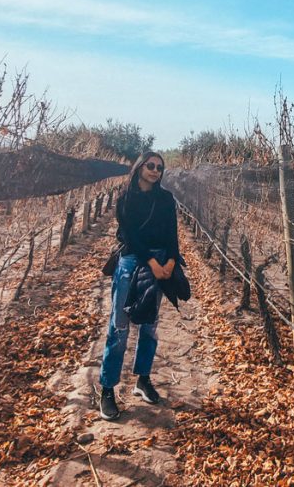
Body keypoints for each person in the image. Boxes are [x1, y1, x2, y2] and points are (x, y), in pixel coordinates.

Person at [98, 151, 179, 420]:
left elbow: (172, 233)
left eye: (159, 167)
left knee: (150, 325)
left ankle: (143, 379)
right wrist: (152, 264)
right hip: (131, 262)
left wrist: (171, 261)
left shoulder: (166, 199)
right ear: (140, 167)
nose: (155, 170)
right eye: (151, 166)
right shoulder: (126, 198)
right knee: (119, 326)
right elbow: (130, 235)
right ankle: (107, 389)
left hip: (159, 261)